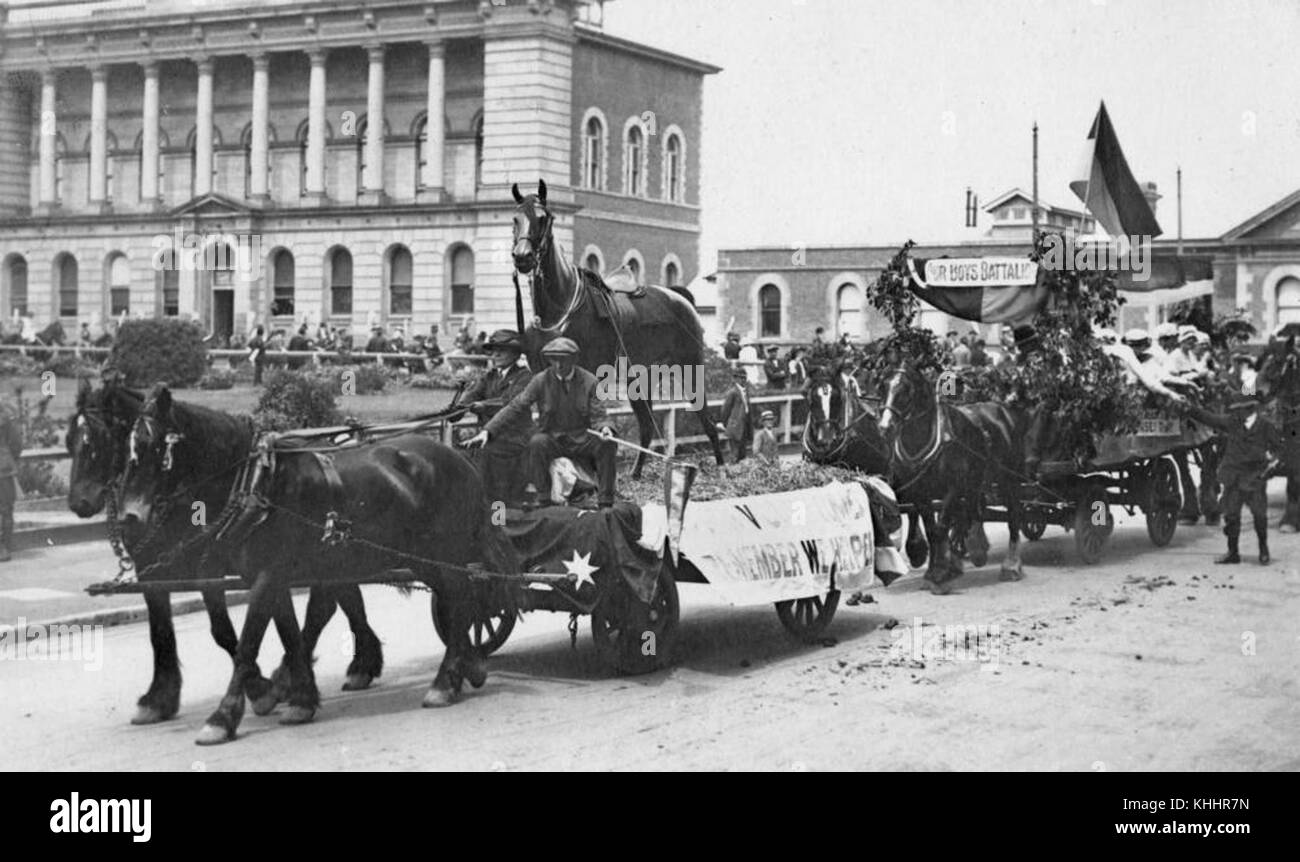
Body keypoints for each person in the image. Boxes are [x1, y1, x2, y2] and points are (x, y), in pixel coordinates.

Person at [468, 336, 617, 510]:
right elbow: (515, 406)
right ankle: (543, 499)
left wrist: (605, 428)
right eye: (554, 360)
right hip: (553, 437)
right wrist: (488, 431)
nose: (559, 366)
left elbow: (599, 414)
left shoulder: (590, 381)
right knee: (537, 442)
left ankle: (605, 501)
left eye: (564, 360)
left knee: (607, 444)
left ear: (574, 360)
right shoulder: (541, 380)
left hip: (582, 438)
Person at [1184, 395, 1279, 564]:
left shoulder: (1265, 427)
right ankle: (1232, 552)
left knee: (1259, 516)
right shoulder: (1232, 422)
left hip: (1254, 478)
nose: (1235, 412)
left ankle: (1263, 550)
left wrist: (1267, 471)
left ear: (1249, 409)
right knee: (1231, 516)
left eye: (1238, 409)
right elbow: (1210, 419)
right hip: (1233, 478)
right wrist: (1189, 408)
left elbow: (1279, 451)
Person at [459, 330, 534, 504]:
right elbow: (471, 395)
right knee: (460, 455)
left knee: (484, 457)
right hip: (489, 438)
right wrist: (458, 408)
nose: (496, 354)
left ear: (515, 354)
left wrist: (483, 406)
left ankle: (495, 509)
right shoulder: (489, 376)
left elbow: (510, 403)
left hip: (516, 440)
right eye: (493, 350)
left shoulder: (525, 377)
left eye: (502, 350)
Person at [0, 395, 22, 562]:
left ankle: (4, 548)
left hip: (3, 469)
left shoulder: (5, 417)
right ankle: (4, 547)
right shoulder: (5, 416)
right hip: (3, 467)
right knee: (6, 509)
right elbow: (16, 444)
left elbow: (16, 443)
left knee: (6, 509)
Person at [716, 368, 754, 463]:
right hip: (735, 425)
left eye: (744, 378)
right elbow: (725, 409)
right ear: (735, 378)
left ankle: (740, 471)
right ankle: (732, 470)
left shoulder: (745, 391)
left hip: (744, 423)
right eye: (741, 378)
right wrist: (724, 423)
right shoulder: (733, 392)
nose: (743, 380)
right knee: (734, 451)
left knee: (743, 450)